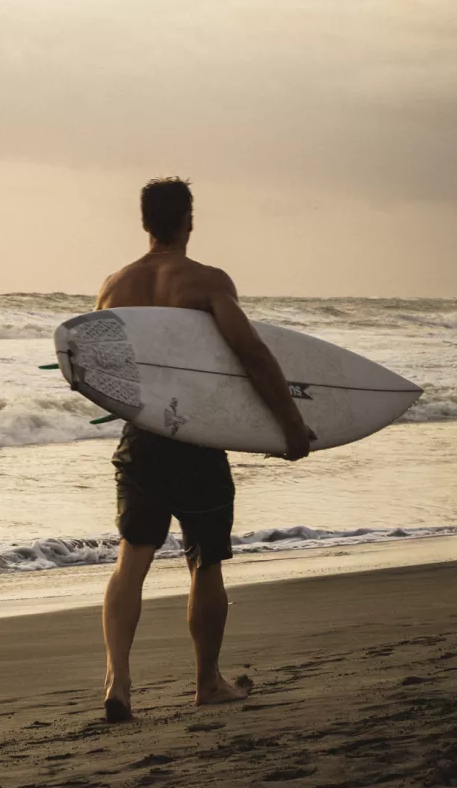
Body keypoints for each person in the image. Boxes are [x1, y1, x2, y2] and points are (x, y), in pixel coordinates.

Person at [96, 177, 313, 723]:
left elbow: (99, 371)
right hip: (195, 438)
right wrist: (290, 424)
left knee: (132, 559)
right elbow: (252, 354)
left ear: (145, 223)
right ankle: (206, 682)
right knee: (205, 561)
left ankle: (118, 682)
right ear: (189, 220)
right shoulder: (207, 282)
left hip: (142, 438)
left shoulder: (113, 287)